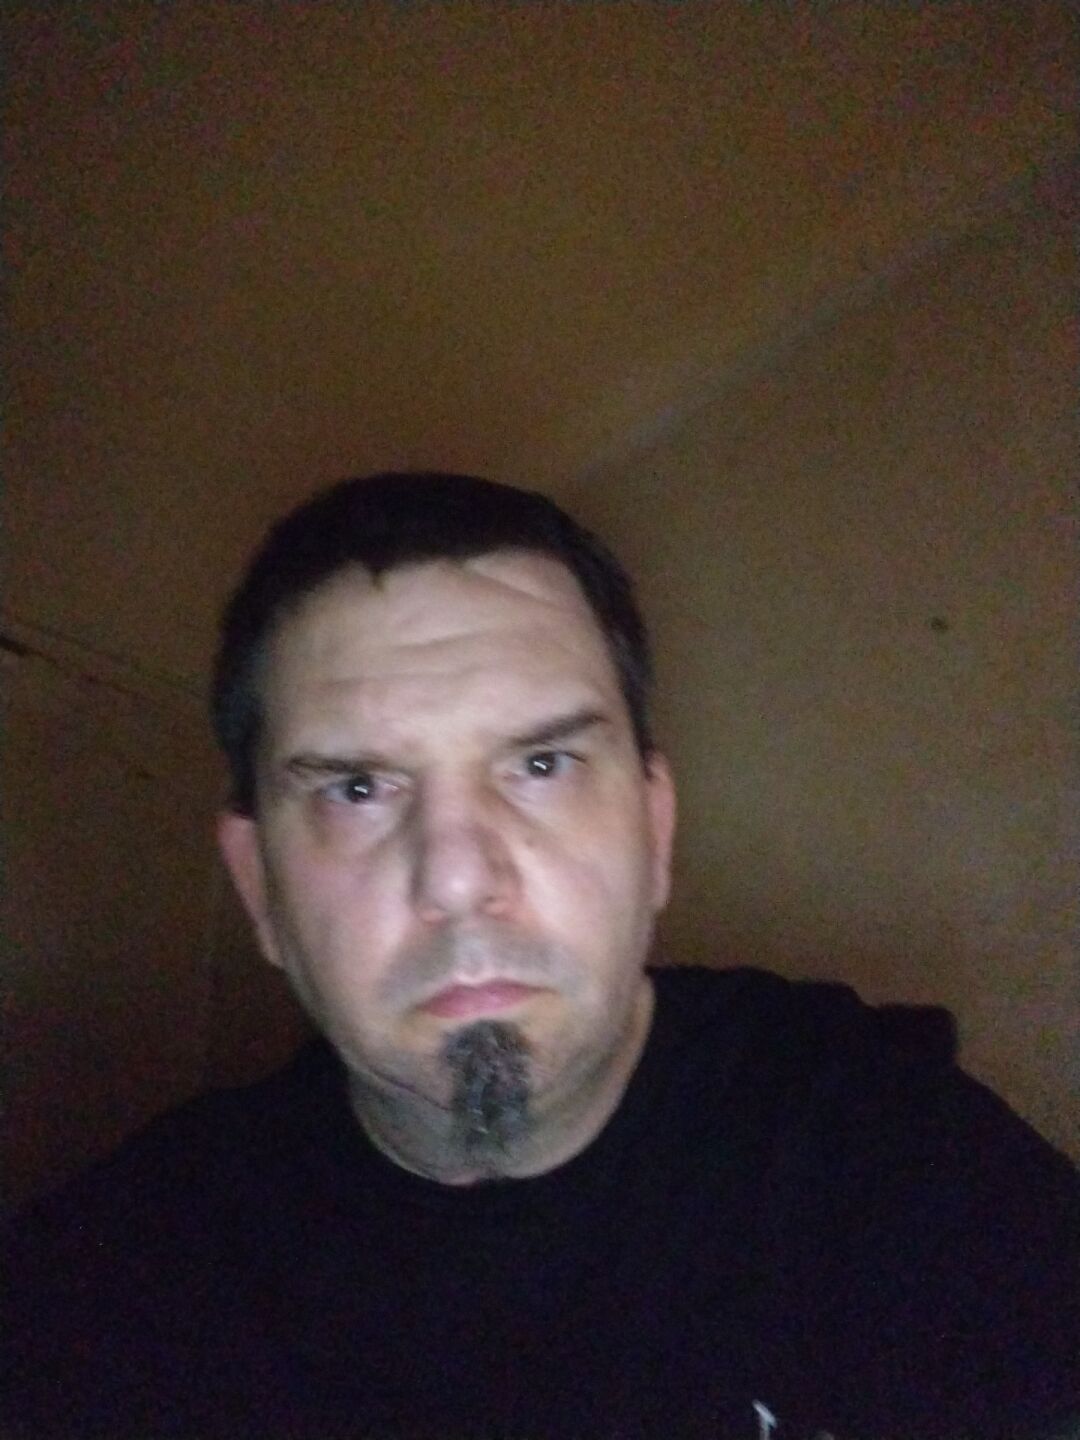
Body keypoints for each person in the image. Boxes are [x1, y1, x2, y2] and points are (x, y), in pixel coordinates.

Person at [3, 472, 1078, 1440]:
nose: (458, 878)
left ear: (655, 833)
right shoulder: (112, 1287)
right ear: (259, 889)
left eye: (544, 764)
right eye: (358, 789)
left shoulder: (887, 1155)